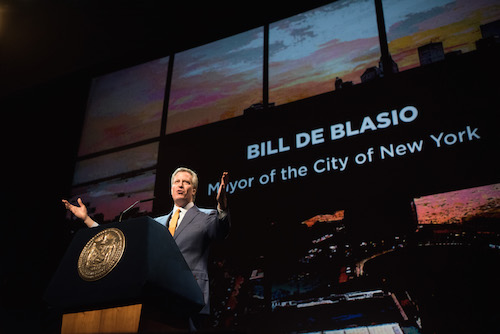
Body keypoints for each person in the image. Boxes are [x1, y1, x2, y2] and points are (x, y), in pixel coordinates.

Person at [62, 167, 230, 330]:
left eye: (185, 182)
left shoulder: (206, 216)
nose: (180, 185)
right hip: (156, 295)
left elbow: (220, 230)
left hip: (189, 296)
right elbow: (121, 245)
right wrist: (87, 220)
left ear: (193, 190)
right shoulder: (156, 223)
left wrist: (221, 205)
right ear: (171, 189)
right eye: (176, 182)